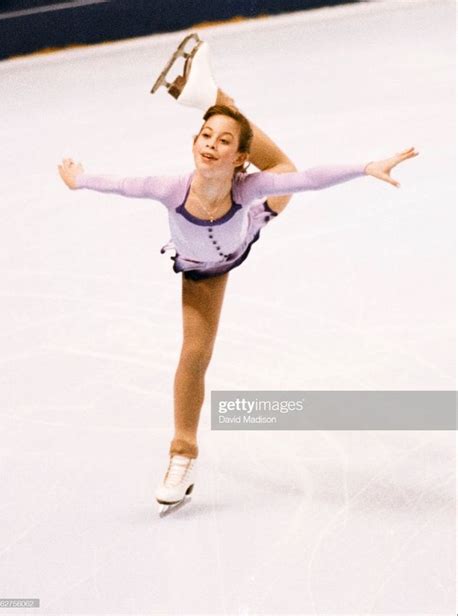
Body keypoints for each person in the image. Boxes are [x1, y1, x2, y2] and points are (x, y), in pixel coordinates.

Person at [58, 33, 418, 514]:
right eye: (206, 136)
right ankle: (181, 457)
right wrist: (79, 179)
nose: (211, 145)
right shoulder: (170, 188)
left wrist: (366, 166)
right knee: (195, 354)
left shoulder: (250, 189)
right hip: (202, 273)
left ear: (237, 159)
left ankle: (218, 101)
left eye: (224, 140)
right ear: (194, 144)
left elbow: (308, 179)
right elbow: (122, 184)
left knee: (285, 170)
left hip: (249, 227)